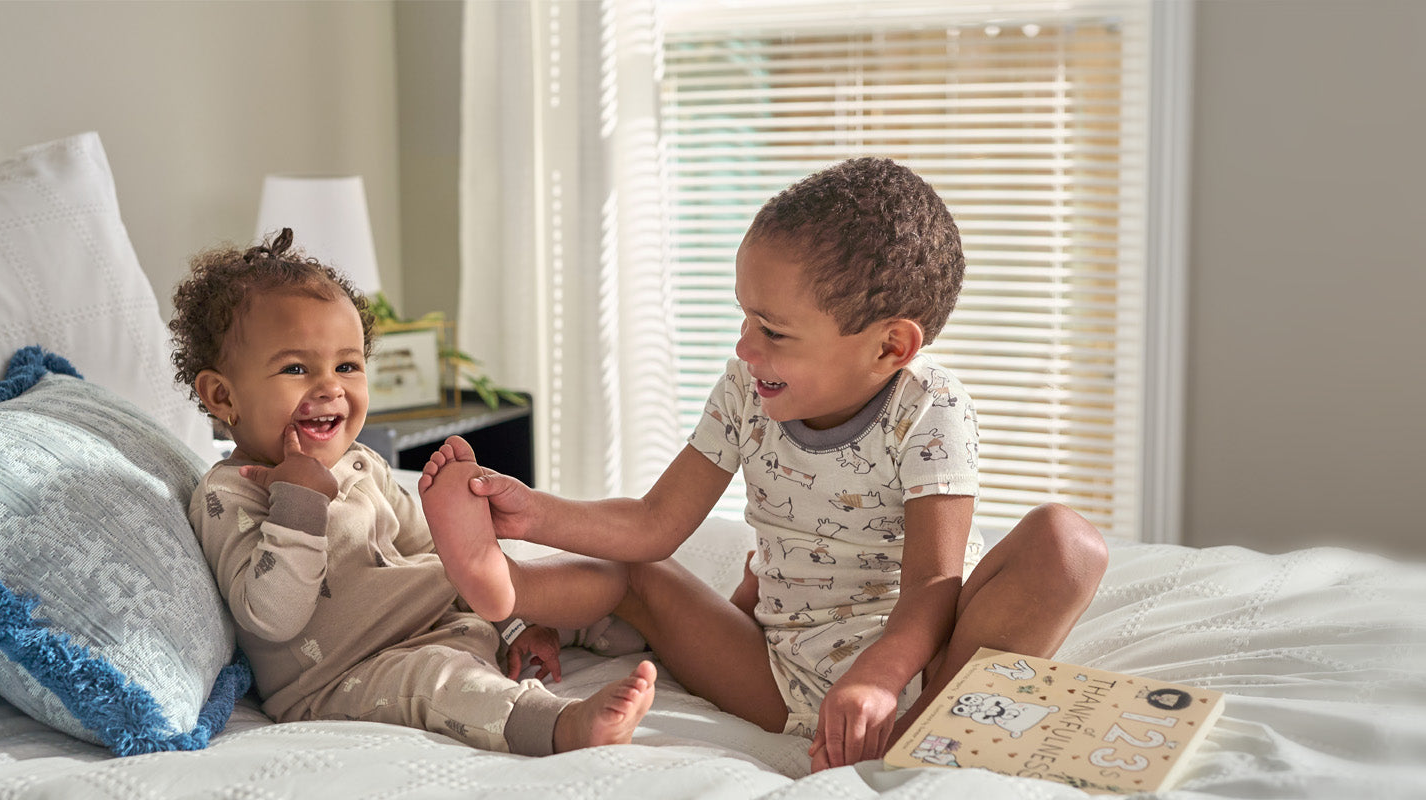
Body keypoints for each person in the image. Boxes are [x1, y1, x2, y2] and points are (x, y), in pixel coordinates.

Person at [420, 157, 1109, 772]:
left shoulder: (929, 406)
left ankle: (921, 737)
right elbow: (654, 523)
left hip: (920, 661)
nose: (745, 347)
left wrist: (875, 678)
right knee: (638, 574)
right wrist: (531, 511)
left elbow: (933, 582)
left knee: (1067, 542)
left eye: (772, 331)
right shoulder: (746, 389)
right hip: (779, 673)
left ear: (890, 347)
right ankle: (502, 587)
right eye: (745, 317)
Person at [168, 228, 654, 756]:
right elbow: (271, 617)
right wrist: (299, 500)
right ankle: (560, 725)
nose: (331, 387)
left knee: (576, 599)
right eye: (296, 368)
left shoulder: (362, 463)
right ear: (222, 396)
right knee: (444, 683)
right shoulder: (227, 496)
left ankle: (685, 635)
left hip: (441, 617)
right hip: (352, 672)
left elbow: (442, 557)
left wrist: (516, 626)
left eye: (347, 366)